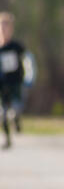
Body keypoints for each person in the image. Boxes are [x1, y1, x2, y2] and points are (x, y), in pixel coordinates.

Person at [0, 12, 27, 149]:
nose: (4, 29)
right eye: (1, 26)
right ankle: (7, 139)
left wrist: (28, 78)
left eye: (6, 26)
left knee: (15, 109)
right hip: (3, 85)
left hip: (16, 83)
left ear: (11, 29)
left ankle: (16, 119)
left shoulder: (17, 47)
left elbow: (28, 62)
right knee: (3, 113)